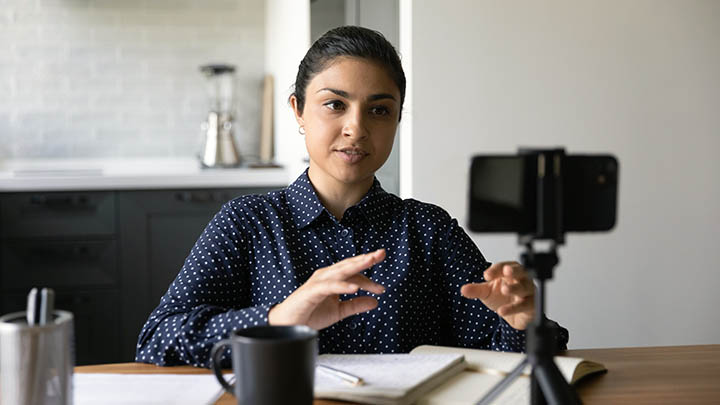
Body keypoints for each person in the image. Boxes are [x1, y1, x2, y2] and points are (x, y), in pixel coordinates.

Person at [136, 26, 568, 368]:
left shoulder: (428, 230)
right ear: (297, 111)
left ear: (398, 119)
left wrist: (522, 320)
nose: (356, 128)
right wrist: (280, 318)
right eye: (335, 104)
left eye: (379, 110)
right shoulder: (247, 223)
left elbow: (507, 350)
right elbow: (156, 340)